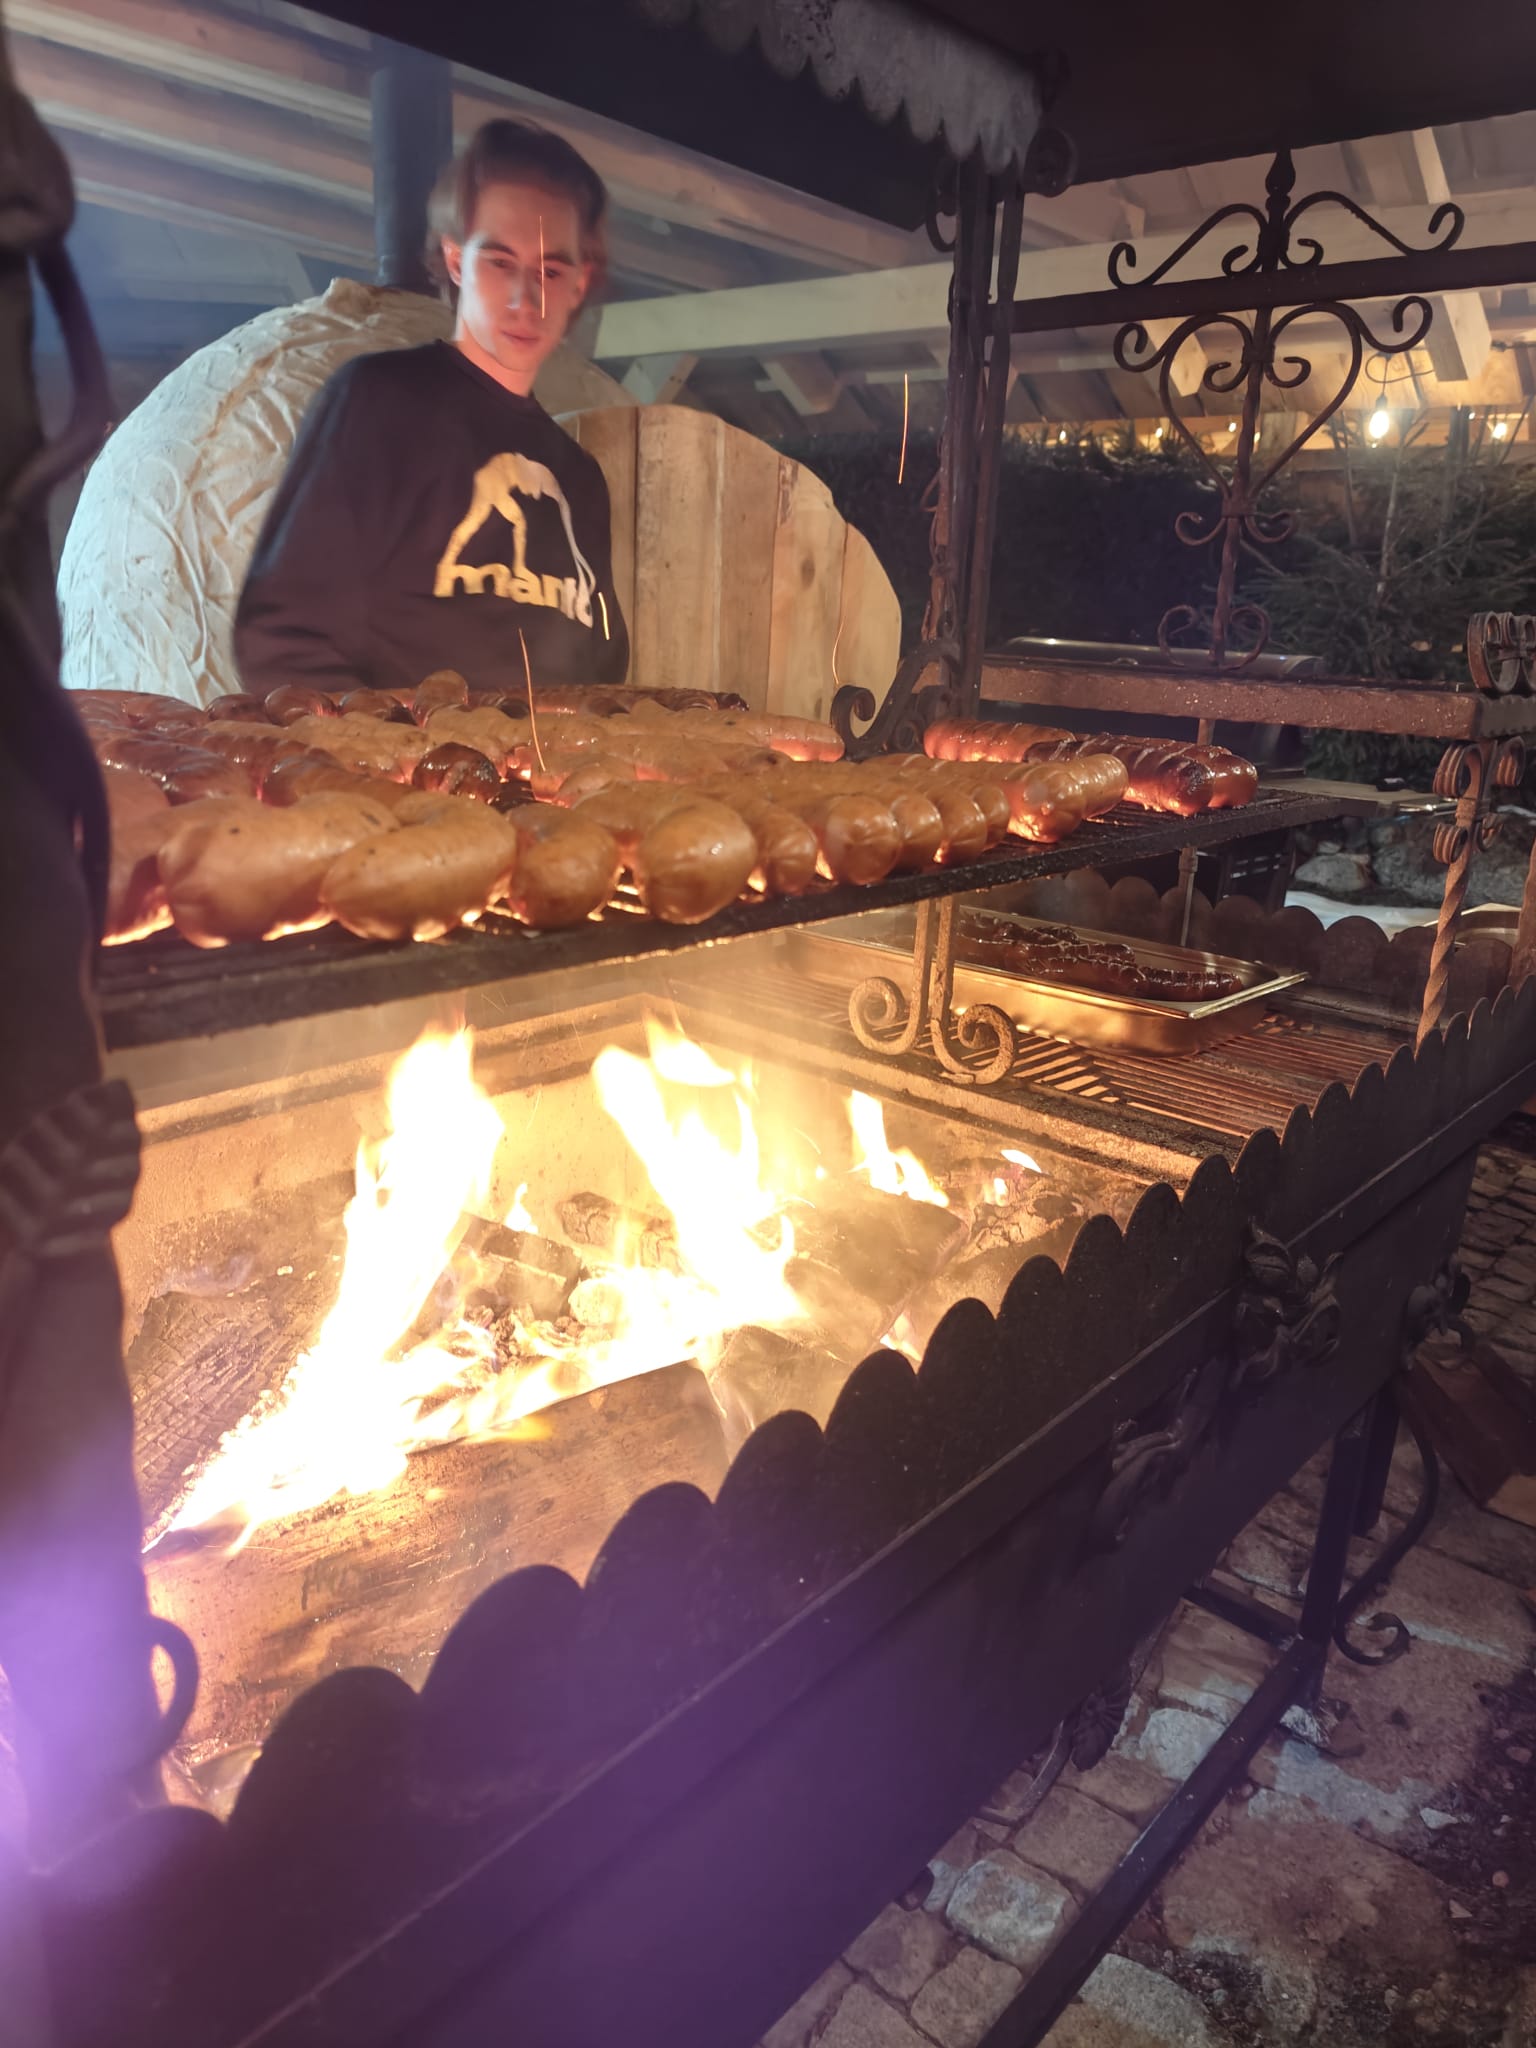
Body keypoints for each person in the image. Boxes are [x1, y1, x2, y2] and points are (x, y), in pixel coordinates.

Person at [235, 119, 629, 697]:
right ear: (455, 259)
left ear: (579, 284)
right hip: (402, 754)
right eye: (500, 263)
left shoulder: (578, 477)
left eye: (550, 271)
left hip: (550, 758)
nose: (526, 300)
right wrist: (387, 747)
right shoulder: (378, 405)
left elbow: (604, 668)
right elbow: (284, 640)